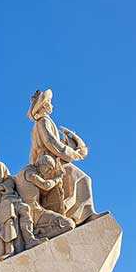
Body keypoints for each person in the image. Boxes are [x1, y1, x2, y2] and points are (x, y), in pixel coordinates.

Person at [28, 89, 99, 223]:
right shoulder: (43, 121)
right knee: (83, 178)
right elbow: (50, 142)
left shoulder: (44, 121)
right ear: (44, 105)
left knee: (79, 180)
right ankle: (86, 215)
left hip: (52, 158)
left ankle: (77, 213)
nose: (51, 104)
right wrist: (72, 154)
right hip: (50, 160)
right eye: (49, 101)